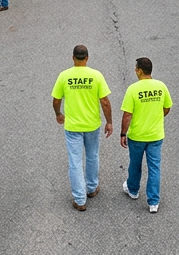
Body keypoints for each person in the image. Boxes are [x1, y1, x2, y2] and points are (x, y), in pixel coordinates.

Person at [52, 44, 112, 211]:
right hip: (92, 125)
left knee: (75, 161)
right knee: (92, 156)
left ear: (73, 57)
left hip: (73, 126)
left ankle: (80, 199)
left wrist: (58, 113)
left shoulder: (64, 76)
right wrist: (109, 122)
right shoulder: (96, 75)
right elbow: (105, 102)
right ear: (87, 58)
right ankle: (91, 188)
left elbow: (56, 100)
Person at [120, 57, 171, 213]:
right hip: (155, 135)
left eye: (136, 68)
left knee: (135, 164)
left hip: (137, 136)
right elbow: (167, 108)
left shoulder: (133, 89)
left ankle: (133, 190)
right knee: (154, 167)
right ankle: (153, 202)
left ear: (140, 71)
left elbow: (127, 114)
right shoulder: (161, 87)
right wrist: (156, 117)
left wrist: (123, 133)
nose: (135, 70)